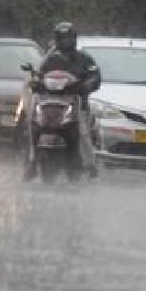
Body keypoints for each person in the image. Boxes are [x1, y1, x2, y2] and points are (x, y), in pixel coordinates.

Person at [24, 22, 102, 179]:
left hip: (76, 101)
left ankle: (90, 164)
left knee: (83, 133)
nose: (66, 41)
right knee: (33, 126)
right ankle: (31, 162)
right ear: (56, 39)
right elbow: (39, 75)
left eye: (69, 38)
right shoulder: (49, 60)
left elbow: (95, 76)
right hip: (48, 102)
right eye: (62, 38)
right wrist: (35, 83)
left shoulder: (84, 59)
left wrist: (85, 85)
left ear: (74, 39)